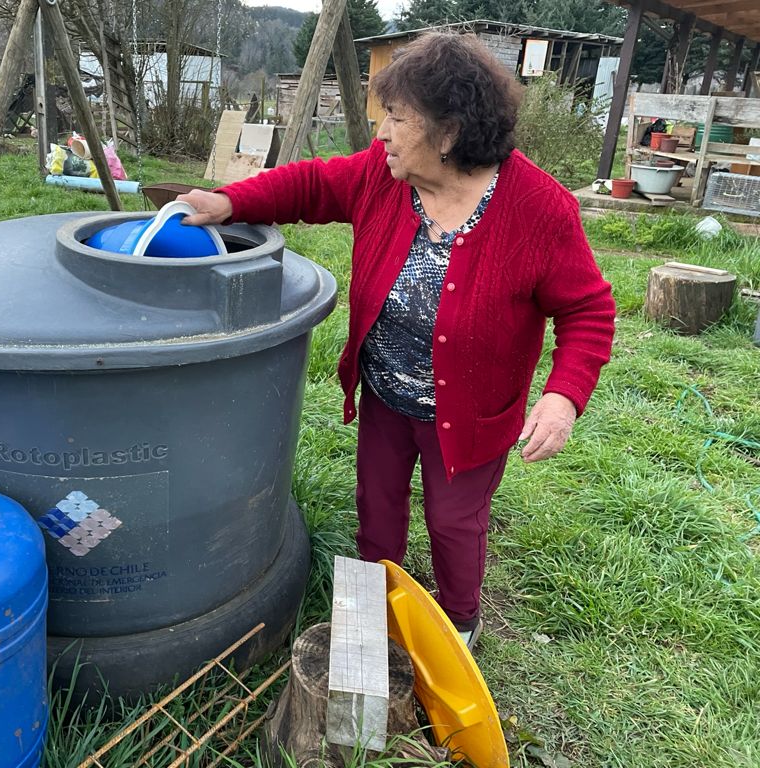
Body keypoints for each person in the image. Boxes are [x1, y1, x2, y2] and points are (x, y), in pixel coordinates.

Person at [178, 32, 616, 649]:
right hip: (385, 394)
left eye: (399, 119)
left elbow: (589, 309)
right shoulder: (383, 177)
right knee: (377, 506)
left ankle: (458, 627)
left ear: (450, 132)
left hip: (472, 415)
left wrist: (564, 396)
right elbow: (310, 184)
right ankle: (373, 611)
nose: (381, 133)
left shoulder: (540, 210)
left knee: (454, 521)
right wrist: (227, 201)